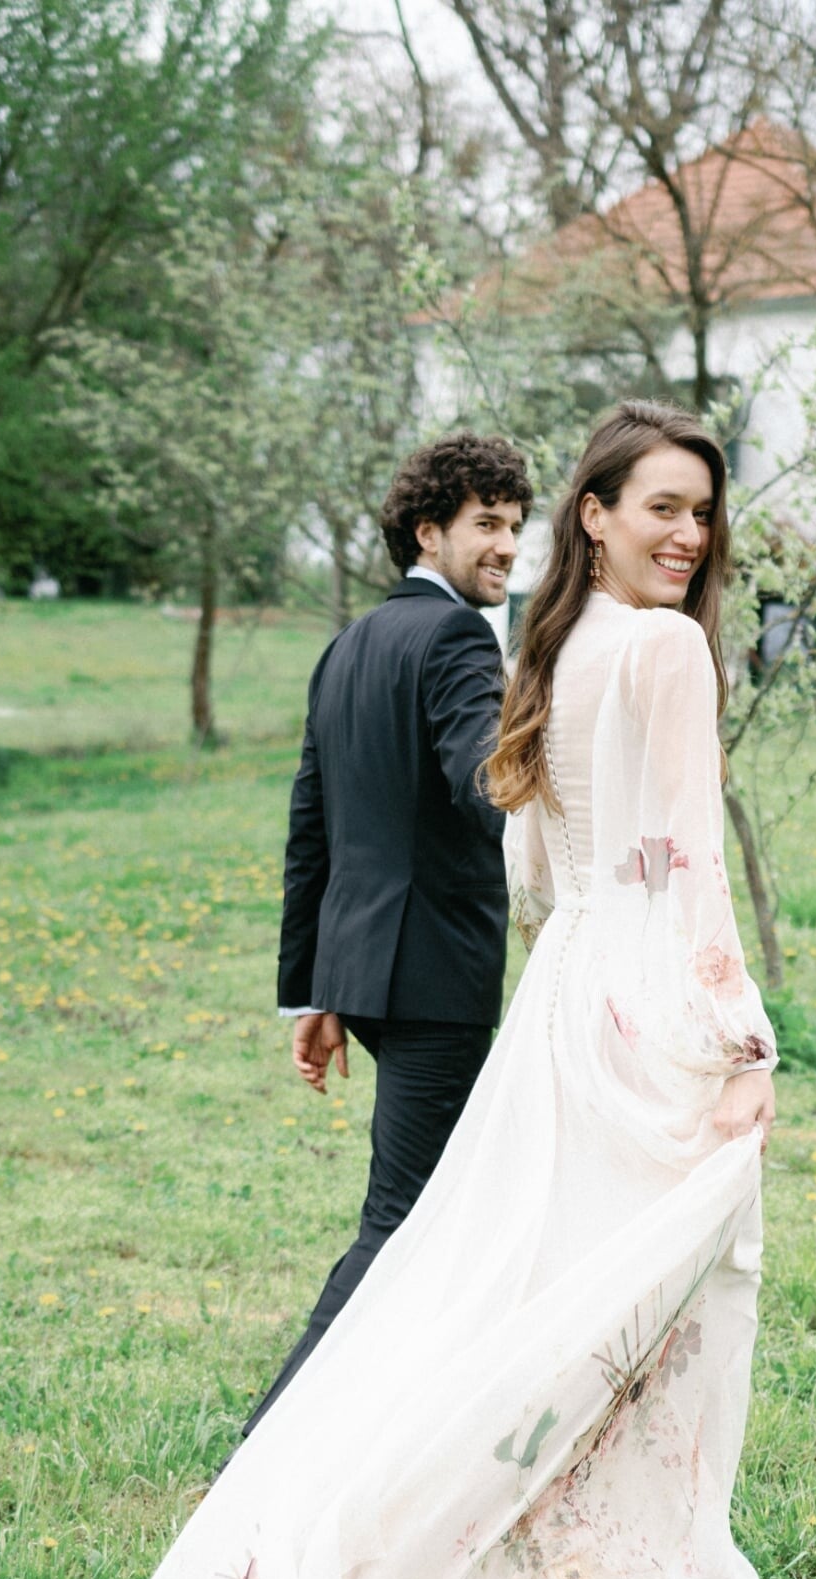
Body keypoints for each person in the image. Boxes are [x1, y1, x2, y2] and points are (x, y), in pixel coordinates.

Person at [0, 401, 778, 1579]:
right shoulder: (649, 652)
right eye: (663, 508)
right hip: (607, 991)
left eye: (703, 513)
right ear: (597, 513)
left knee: (512, 1269)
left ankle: (562, 1540)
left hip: (545, 991)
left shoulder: (524, 643)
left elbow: (496, 853)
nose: (689, 536)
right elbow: (671, 860)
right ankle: (588, 1552)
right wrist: (737, 1027)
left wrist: (327, 977)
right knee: (586, 1284)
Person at [242, 433, 533, 1436]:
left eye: (514, 525)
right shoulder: (457, 641)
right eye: (486, 524)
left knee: (449, 1204)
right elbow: (485, 785)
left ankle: (421, 1420)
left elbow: (312, 823)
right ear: (427, 531)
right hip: (432, 976)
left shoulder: (349, 644)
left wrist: (315, 990)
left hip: (369, 969)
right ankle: (273, 1444)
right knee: (403, 1218)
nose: (507, 546)